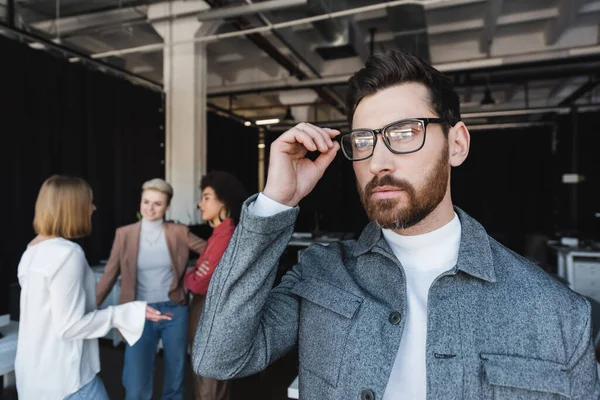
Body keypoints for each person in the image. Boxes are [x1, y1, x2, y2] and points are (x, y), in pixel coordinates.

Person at [190, 51, 600, 399]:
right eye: (365, 140)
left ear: (456, 144)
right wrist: (275, 202)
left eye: (405, 133)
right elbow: (218, 356)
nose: (378, 161)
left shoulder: (558, 315)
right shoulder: (321, 274)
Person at [15, 175, 169, 400]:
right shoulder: (67, 254)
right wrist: (124, 313)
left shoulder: (31, 251)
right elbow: (69, 326)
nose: (94, 208)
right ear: (72, 207)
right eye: (89, 201)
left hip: (35, 380)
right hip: (68, 383)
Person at [96, 178, 207, 400]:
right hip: (138, 312)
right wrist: (90, 307)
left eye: (157, 203)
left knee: (175, 381)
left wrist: (197, 270)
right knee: (135, 384)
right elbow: (110, 273)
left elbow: (210, 250)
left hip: (174, 310)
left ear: (167, 207)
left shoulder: (179, 232)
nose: (150, 208)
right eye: (146, 202)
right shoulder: (124, 234)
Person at [184, 171, 247, 400]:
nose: (201, 204)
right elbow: (199, 274)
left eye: (207, 197)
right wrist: (194, 275)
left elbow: (202, 282)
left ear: (224, 202)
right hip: (204, 313)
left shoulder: (226, 235)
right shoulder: (216, 234)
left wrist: (189, 278)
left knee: (208, 382)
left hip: (209, 314)